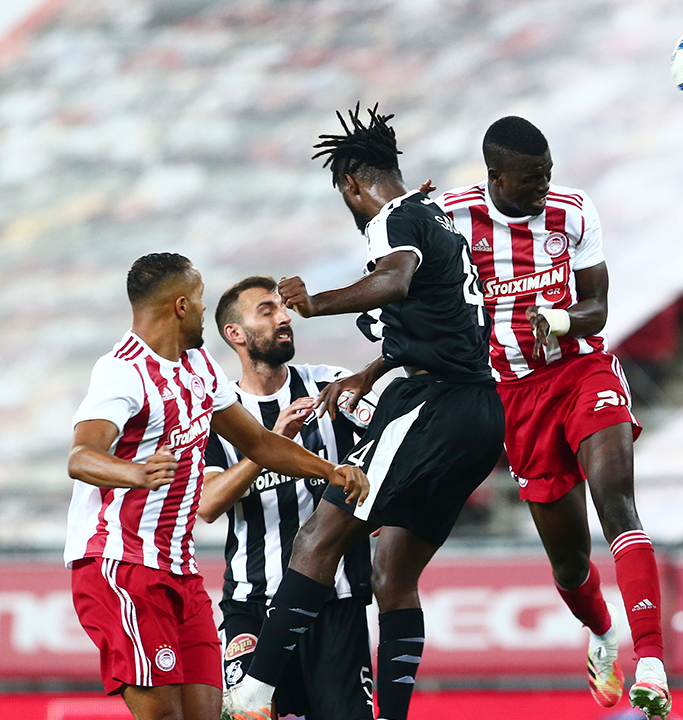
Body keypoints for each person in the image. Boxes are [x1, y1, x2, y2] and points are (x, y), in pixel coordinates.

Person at [222, 104, 505, 720]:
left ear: (352, 183)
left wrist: (316, 303)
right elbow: (435, 322)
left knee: (316, 537)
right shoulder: (435, 219)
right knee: (393, 572)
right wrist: (372, 371)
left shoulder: (393, 219)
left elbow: (396, 281)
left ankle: (254, 691)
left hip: (433, 404)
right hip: (481, 414)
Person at [66, 253, 368, 720]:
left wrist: (330, 471)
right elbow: (81, 456)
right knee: (164, 715)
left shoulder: (199, 367)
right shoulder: (122, 370)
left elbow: (259, 443)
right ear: (181, 306)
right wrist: (136, 473)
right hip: (121, 563)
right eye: (201, 298)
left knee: (209, 714)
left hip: (180, 569)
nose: (206, 308)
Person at [437, 116, 669, 719]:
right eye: (531, 178)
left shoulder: (573, 212)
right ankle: (603, 634)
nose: (544, 186)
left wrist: (560, 320)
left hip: (581, 372)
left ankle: (651, 661)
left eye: (548, 173)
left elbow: (598, 307)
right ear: (496, 177)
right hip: (514, 398)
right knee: (568, 564)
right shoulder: (451, 218)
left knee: (617, 502)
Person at [200, 276, 378, 720]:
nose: (284, 318)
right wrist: (268, 446)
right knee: (248, 716)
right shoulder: (218, 415)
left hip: (335, 603)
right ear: (235, 334)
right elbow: (207, 504)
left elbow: (392, 446)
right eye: (267, 311)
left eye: (283, 308)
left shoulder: (331, 386)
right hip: (252, 603)